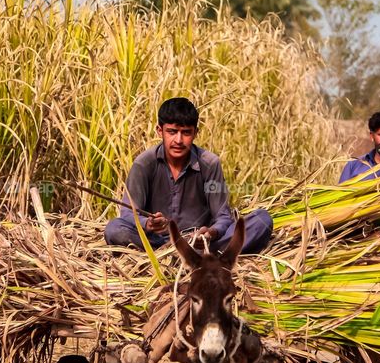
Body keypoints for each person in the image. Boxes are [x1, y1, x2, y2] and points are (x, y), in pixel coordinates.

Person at [104, 97, 273, 254]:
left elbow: (222, 216)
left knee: (262, 219)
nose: (178, 140)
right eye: (171, 131)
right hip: (156, 243)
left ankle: (198, 255)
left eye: (186, 132)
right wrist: (147, 224)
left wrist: (211, 233)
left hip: (200, 245)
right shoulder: (144, 164)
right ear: (159, 131)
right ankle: (167, 256)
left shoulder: (210, 163)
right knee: (114, 229)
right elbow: (127, 214)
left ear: (195, 133)